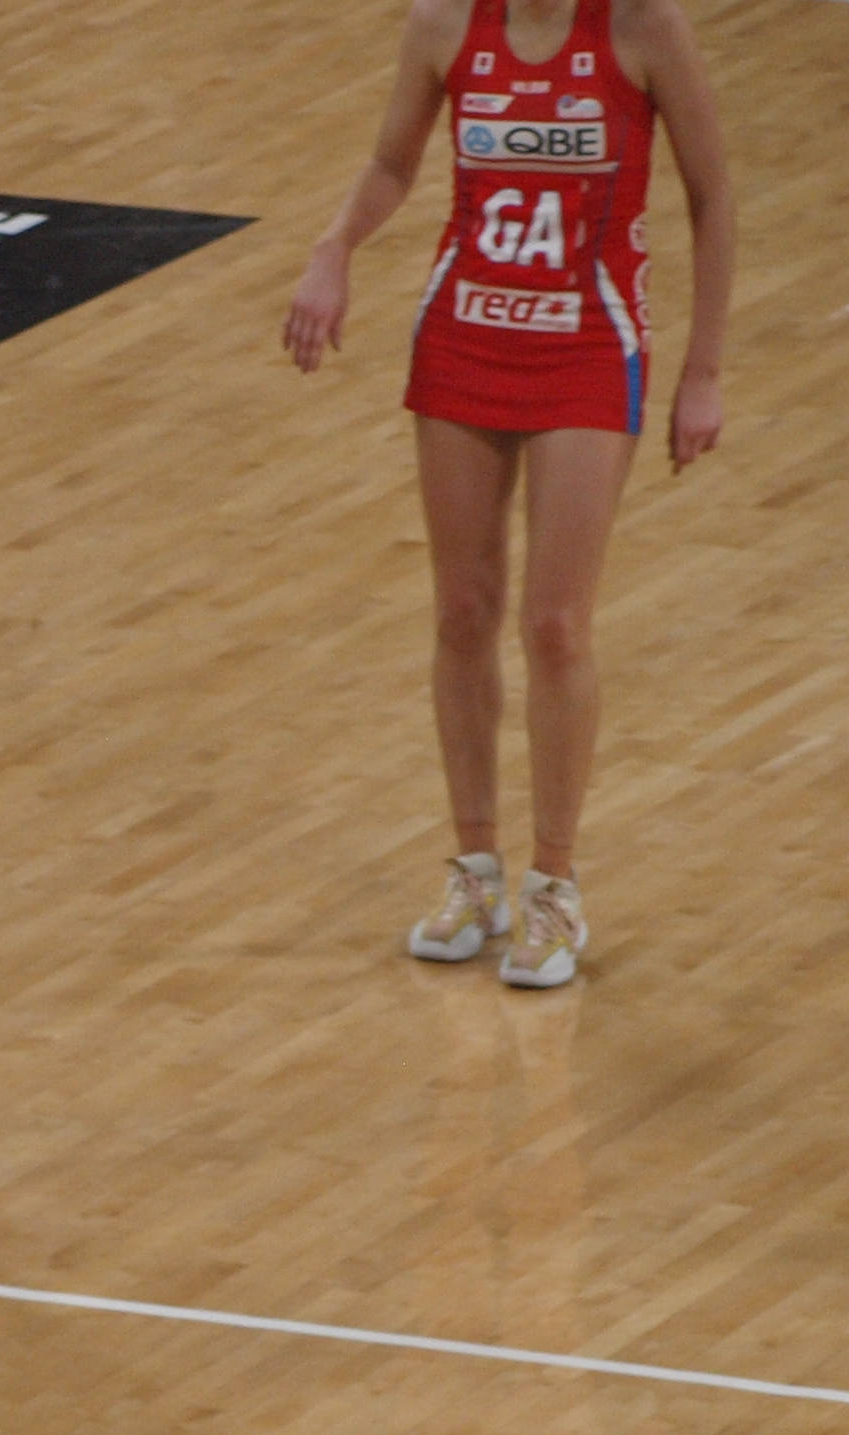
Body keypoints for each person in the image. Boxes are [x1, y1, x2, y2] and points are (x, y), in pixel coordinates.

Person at [281, 0, 732, 986]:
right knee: (461, 610)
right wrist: (333, 249)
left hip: (587, 345)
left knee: (556, 623)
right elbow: (394, 163)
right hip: (464, 336)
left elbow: (711, 194)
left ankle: (555, 886)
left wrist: (701, 370)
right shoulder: (443, 24)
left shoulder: (643, 27)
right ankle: (476, 869)